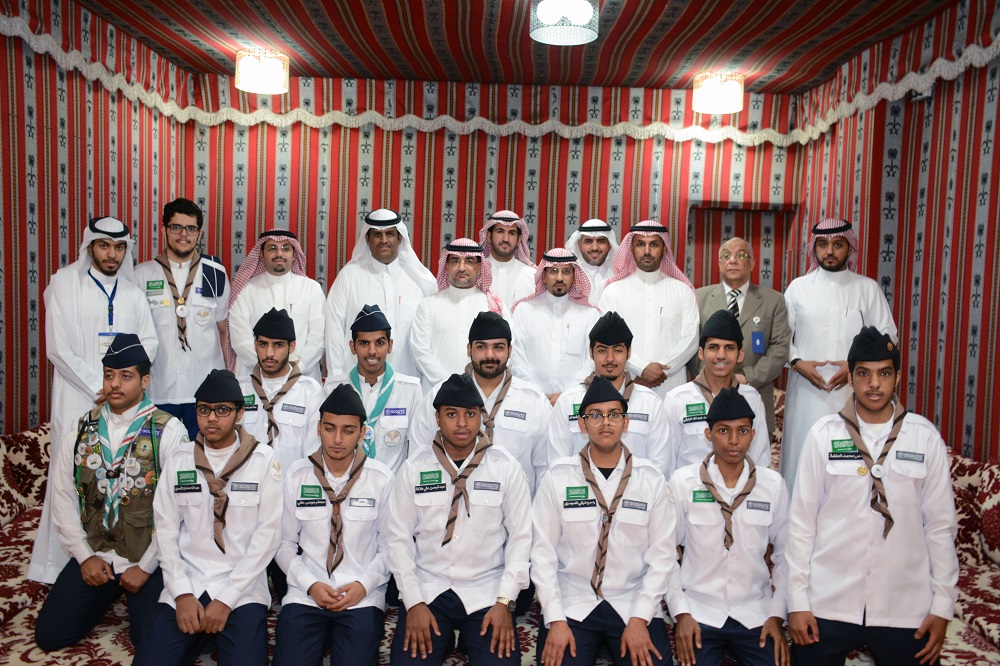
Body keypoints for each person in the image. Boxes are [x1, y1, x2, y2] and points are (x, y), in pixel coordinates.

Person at [786, 327, 957, 666]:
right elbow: (801, 524)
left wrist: (942, 606)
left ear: (897, 378)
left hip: (903, 605)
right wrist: (797, 602)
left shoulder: (924, 438)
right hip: (828, 601)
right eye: (864, 373)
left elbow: (940, 527)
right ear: (850, 378)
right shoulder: (823, 435)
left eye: (884, 373)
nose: (874, 384)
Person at [35, 334, 186, 653]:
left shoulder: (168, 431)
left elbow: (178, 509)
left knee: (150, 644)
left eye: (126, 376)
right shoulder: (81, 429)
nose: (115, 384)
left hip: (148, 559)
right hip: (98, 556)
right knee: (50, 636)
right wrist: (85, 557)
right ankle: (104, 595)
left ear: (145, 381)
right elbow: (62, 495)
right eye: (109, 375)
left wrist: (146, 567)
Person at [30, 215, 159, 584]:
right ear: (90, 247)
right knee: (71, 476)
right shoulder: (64, 284)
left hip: (124, 402)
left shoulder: (133, 294)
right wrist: (99, 386)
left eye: (119, 247)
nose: (111, 254)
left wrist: (122, 385)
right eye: (104, 246)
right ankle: (62, 565)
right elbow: (58, 348)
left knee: (121, 474)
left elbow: (149, 342)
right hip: (77, 397)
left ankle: (120, 554)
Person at [137, 370, 282, 666]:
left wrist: (227, 598)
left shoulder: (263, 461)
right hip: (189, 581)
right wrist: (181, 593)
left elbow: (268, 537)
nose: (212, 418)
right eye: (203, 410)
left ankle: (206, 635)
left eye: (222, 410)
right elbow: (165, 530)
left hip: (241, 588)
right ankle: (198, 635)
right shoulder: (179, 460)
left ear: (240, 414)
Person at [386, 373, 531, 666]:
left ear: (481, 417)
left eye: (470, 414)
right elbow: (397, 539)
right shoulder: (414, 468)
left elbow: (521, 539)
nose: (462, 423)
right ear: (437, 418)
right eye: (452, 414)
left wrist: (505, 602)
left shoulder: (505, 467)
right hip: (428, 588)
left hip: (487, 590)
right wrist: (413, 602)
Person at [532, 376, 676, 666]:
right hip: (573, 602)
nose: (606, 423)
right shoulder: (558, 478)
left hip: (631, 600)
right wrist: (555, 618)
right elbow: (542, 554)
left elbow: (663, 556)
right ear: (582, 424)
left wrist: (640, 618)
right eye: (595, 415)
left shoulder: (650, 480)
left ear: (626, 422)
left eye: (614, 415)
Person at [272, 384, 394, 666]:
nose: (337, 439)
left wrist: (363, 585)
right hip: (306, 593)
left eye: (348, 431)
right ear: (318, 428)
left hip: (361, 596)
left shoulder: (381, 478)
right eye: (329, 429)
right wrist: (311, 584)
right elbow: (284, 543)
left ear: (362, 433)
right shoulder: (297, 475)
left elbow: (391, 546)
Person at [667, 387, 790, 666]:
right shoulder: (684, 483)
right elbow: (665, 553)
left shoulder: (772, 485)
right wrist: (681, 613)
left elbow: (786, 556)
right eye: (723, 431)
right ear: (708, 434)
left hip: (755, 612)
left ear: (753, 434)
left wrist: (777, 615)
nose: (734, 441)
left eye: (742, 431)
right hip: (699, 611)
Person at [781, 219, 897, 488]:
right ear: (814, 249)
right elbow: (781, 336)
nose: (830, 251)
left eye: (837, 244)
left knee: (848, 462)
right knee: (802, 457)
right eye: (823, 245)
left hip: (852, 391)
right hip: (806, 391)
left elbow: (888, 336)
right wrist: (797, 362)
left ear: (849, 247)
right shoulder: (798, 287)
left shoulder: (867, 289)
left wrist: (855, 367)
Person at [410, 312, 552, 494]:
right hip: (451, 505)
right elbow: (418, 461)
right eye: (481, 347)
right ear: (469, 349)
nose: (489, 355)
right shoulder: (438, 397)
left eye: (498, 347)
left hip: (516, 506)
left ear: (510, 350)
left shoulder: (534, 402)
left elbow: (545, 469)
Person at [135, 198, 230, 440]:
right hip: (159, 390)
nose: (183, 235)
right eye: (176, 227)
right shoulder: (142, 275)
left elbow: (223, 331)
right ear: (164, 230)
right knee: (158, 458)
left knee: (202, 458)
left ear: (200, 233)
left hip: (205, 392)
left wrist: (228, 381)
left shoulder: (215, 272)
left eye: (191, 228)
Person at [548, 312, 672, 478]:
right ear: (591, 353)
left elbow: (659, 469)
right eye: (602, 350)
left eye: (618, 350)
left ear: (629, 353)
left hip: (637, 493)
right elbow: (558, 468)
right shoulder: (567, 402)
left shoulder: (651, 403)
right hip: (581, 492)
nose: (610, 359)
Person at [689, 236, 790, 438]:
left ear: (752, 263)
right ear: (719, 263)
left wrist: (748, 377)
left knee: (754, 455)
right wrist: (710, 377)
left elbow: (779, 349)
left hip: (755, 393)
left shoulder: (774, 301)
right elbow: (691, 345)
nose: (733, 260)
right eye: (726, 256)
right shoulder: (698, 297)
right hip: (706, 393)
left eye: (741, 255)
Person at [324, 209, 436, 378]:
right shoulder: (349, 276)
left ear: (400, 238)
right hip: (356, 380)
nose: (384, 240)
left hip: (408, 378)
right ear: (367, 239)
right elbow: (333, 330)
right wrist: (336, 377)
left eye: (390, 234)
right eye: (377, 235)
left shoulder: (420, 280)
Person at [599, 220, 699, 398]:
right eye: (640, 244)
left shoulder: (683, 291)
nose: (647, 251)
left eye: (654, 244)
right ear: (631, 248)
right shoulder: (613, 292)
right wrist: (641, 368)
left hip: (671, 384)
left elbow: (690, 340)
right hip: (627, 381)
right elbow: (607, 339)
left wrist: (660, 371)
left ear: (664, 248)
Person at [665, 310, 772, 472]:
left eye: (729, 348)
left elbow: (760, 460)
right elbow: (668, 463)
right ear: (701, 353)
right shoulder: (677, 399)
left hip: (740, 486)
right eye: (713, 347)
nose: (721, 355)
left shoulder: (752, 399)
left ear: (740, 355)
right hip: (691, 486)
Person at [325, 304, 423, 474]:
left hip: (392, 488)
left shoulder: (411, 390)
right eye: (364, 343)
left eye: (379, 343)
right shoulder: (332, 389)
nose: (372, 351)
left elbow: (416, 453)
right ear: (352, 347)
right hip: (346, 486)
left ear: (390, 346)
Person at [228, 229, 326, 380]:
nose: (279, 253)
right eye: (272, 248)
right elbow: (240, 338)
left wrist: (299, 368)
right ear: (261, 254)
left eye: (285, 249)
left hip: (302, 377)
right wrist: (267, 367)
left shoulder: (311, 288)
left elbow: (318, 337)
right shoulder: (245, 289)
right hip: (255, 377)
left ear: (294, 255)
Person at [409, 239, 504, 389]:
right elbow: (420, 351)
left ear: (479, 267)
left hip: (481, 391)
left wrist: (478, 383)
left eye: (469, 261)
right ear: (446, 266)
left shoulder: (493, 305)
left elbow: (506, 348)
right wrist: (449, 383)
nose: (461, 267)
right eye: (455, 261)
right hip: (436, 391)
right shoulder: (428, 304)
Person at [237, 307, 324, 471]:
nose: (269, 353)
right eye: (263, 344)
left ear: (292, 347)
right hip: (248, 484)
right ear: (255, 345)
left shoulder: (310, 392)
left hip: (292, 483)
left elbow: (314, 453)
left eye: (277, 345)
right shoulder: (239, 390)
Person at [510, 248, 601, 403]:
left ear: (574, 277)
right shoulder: (524, 310)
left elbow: (592, 361)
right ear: (543, 276)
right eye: (553, 271)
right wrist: (537, 395)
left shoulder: (590, 314)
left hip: (576, 400)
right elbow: (517, 358)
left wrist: (567, 396)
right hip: (530, 399)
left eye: (566, 271)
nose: (559, 277)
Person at [479, 210, 537, 308]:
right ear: (489, 236)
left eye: (511, 233)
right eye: (500, 231)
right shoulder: (476, 273)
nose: (505, 239)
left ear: (519, 240)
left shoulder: (532, 276)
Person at [565, 219, 619, 304]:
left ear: (609, 245)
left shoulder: (618, 275)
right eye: (588, 241)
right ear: (579, 245)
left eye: (601, 241)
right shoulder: (569, 276)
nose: (594, 248)